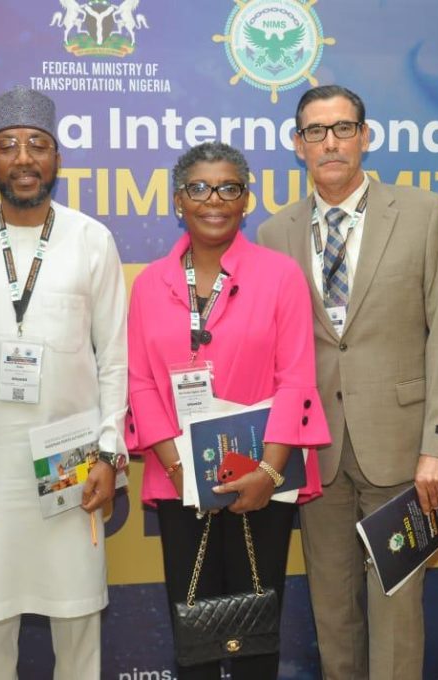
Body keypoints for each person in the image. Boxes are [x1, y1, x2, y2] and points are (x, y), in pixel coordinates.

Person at [257, 84, 438, 680]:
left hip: (404, 451)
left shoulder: (422, 212)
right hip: (316, 451)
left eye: (343, 129)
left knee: (398, 608)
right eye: (316, 132)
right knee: (332, 610)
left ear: (366, 137)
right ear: (298, 145)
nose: (330, 143)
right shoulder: (276, 233)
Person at [0, 86, 128, 680]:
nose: (23, 158)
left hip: (73, 467)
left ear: (57, 159)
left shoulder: (92, 241)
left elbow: (115, 358)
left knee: (79, 622)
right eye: (7, 145)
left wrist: (110, 455)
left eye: (37, 145)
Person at [125, 141, 329, 679]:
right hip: (180, 484)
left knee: (255, 634)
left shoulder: (280, 276)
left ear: (245, 201)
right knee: (194, 633)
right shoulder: (149, 285)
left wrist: (267, 471)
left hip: (263, 482)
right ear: (178, 200)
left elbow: (297, 380)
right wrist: (182, 472)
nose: (213, 199)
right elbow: (141, 385)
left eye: (228, 188)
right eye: (199, 188)